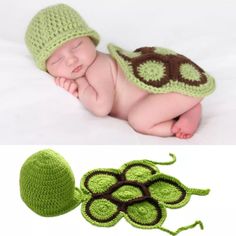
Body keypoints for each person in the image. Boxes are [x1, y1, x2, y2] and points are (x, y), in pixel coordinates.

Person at [25, 4, 215, 139]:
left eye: (76, 45)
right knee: (144, 113)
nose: (71, 59)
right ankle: (187, 109)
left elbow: (101, 107)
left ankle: (179, 123)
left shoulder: (99, 66)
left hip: (173, 90)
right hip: (163, 99)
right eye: (57, 59)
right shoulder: (87, 68)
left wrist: (80, 85)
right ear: (47, 69)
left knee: (139, 119)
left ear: (91, 40)